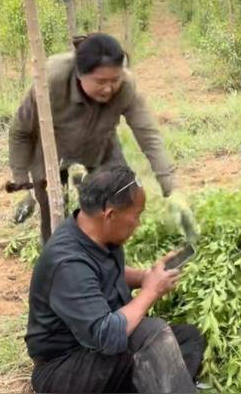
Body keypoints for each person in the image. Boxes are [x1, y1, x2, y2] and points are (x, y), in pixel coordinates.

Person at [26, 165, 205, 393]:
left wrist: (144, 277)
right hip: (66, 368)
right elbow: (106, 335)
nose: (138, 224)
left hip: (99, 355)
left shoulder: (96, 234)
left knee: (187, 338)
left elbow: (108, 272)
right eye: (137, 215)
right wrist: (151, 291)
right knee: (151, 335)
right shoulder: (67, 263)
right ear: (110, 215)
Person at [7, 33, 195, 244]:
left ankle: (106, 251)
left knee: (121, 197)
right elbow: (21, 131)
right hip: (52, 150)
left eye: (115, 80)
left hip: (100, 145)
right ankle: (59, 260)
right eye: (100, 81)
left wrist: (171, 189)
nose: (108, 88)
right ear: (79, 74)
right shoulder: (51, 81)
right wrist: (22, 178)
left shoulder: (125, 86)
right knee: (53, 216)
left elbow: (148, 136)